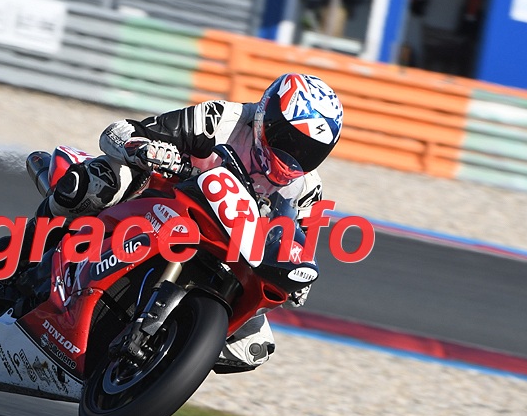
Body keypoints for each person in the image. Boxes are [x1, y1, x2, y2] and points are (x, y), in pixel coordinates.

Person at [37, 73, 344, 373]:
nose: (294, 155)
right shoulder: (221, 119)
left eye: (309, 151)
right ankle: (32, 253)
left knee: (254, 347)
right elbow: (120, 132)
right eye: (288, 140)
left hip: (224, 250)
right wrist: (145, 149)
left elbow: (297, 247)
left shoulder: (307, 189)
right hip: (161, 200)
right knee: (95, 183)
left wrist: (296, 280)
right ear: (267, 118)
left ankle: (158, 362)